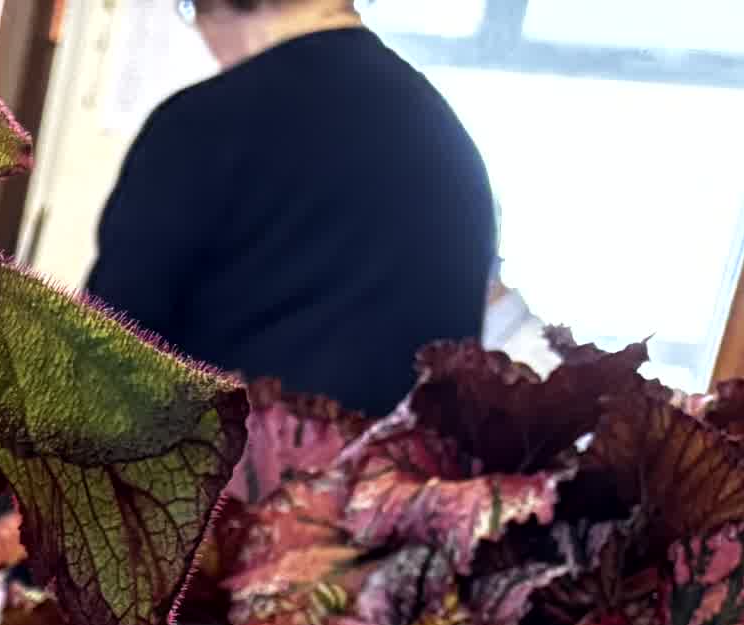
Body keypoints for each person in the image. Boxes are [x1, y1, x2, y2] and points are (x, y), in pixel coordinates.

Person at [84, 0, 495, 419]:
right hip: (397, 458)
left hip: (238, 454)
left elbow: (101, 360)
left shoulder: (204, 123)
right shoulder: (450, 142)